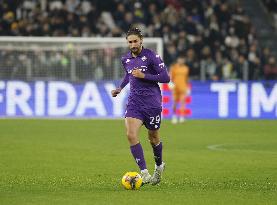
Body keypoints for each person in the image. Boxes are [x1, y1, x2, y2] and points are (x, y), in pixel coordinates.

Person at [111, 27, 170, 185]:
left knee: (153, 138)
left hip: (152, 103)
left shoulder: (152, 56)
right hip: (134, 103)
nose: (133, 45)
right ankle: (144, 173)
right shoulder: (126, 59)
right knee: (131, 134)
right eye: (130, 42)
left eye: (135, 41)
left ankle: (159, 166)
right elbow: (128, 75)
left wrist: (144, 76)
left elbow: (165, 77)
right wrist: (120, 88)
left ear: (141, 40)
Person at [169, 55, 189, 123]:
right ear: (178, 60)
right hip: (175, 88)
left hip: (183, 87)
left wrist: (188, 87)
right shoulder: (174, 67)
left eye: (182, 59)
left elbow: (186, 79)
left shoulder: (186, 68)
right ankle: (174, 116)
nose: (181, 61)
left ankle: (182, 117)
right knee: (175, 103)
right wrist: (170, 83)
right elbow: (171, 77)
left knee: (183, 103)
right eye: (180, 59)